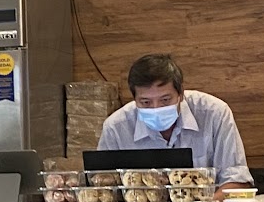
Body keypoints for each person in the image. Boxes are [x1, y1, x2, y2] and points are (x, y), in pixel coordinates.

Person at [97, 53, 253, 192]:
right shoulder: (116, 128)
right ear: (134, 99)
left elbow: (237, 182)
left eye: (165, 100)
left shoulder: (214, 113)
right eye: (146, 102)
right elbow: (102, 189)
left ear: (181, 94)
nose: (156, 108)